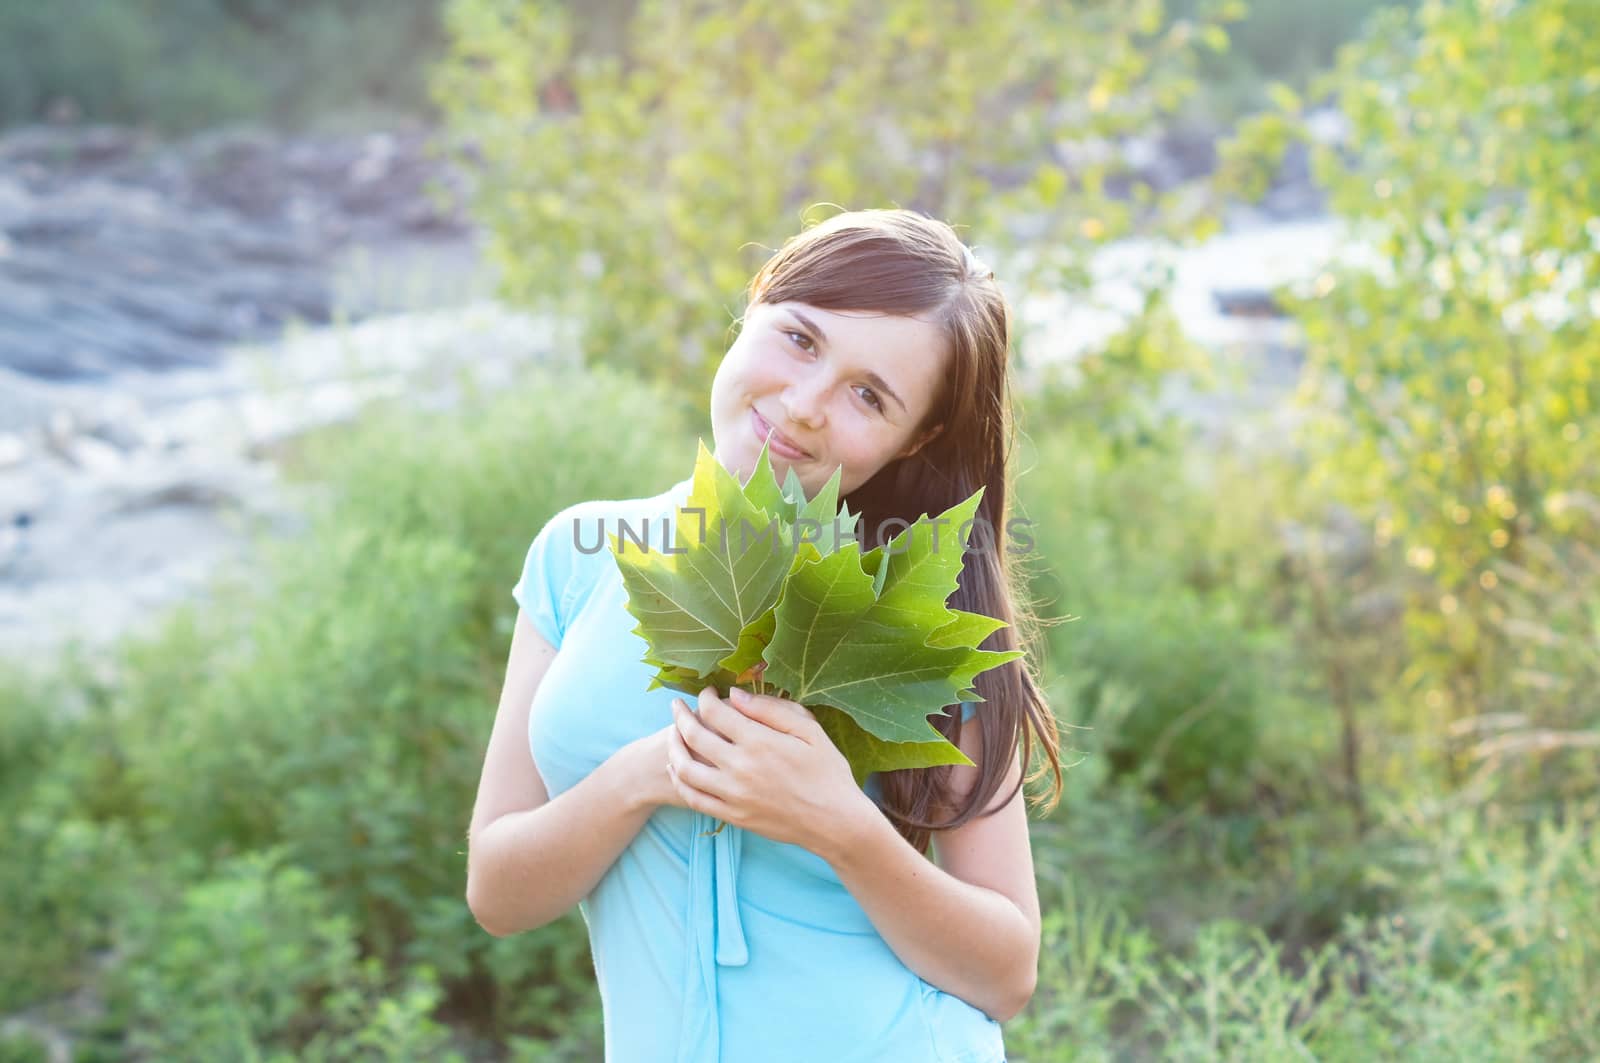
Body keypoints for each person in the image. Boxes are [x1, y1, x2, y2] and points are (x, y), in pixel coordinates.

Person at [466, 208, 1064, 1062]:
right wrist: (651, 773)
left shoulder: (922, 614)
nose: (806, 404)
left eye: (869, 395)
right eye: (801, 338)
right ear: (756, 303)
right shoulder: (581, 555)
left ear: (916, 434)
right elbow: (498, 891)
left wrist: (837, 823)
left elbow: (1007, 974)